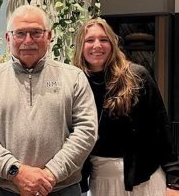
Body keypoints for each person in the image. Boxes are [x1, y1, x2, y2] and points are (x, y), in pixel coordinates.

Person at [0, 5, 98, 196]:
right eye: (20, 33)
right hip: (1, 190)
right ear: (8, 38)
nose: (28, 40)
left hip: (61, 189)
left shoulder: (74, 78)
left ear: (49, 36)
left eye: (36, 33)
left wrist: (51, 174)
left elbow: (86, 131)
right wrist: (16, 173)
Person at [73, 17, 179, 196]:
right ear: (80, 47)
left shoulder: (137, 76)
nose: (97, 45)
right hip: (100, 182)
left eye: (103, 39)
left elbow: (161, 129)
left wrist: (174, 183)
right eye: (89, 40)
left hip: (145, 179)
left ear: (113, 44)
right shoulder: (74, 83)